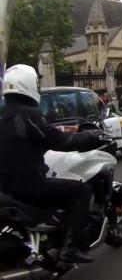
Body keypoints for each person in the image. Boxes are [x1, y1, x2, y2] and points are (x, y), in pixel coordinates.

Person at [0, 65, 105, 264]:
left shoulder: (5, 116)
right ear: (28, 85)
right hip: (29, 187)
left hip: (6, 187)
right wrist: (91, 137)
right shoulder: (28, 114)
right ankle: (71, 248)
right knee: (80, 191)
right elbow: (60, 141)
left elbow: (35, 138)